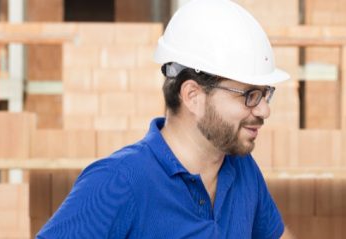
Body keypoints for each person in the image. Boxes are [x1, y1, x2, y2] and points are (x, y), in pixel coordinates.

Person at [38, 0, 291, 237]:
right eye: (249, 95)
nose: (263, 110)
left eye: (265, 94)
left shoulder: (242, 170)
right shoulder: (118, 182)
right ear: (193, 95)